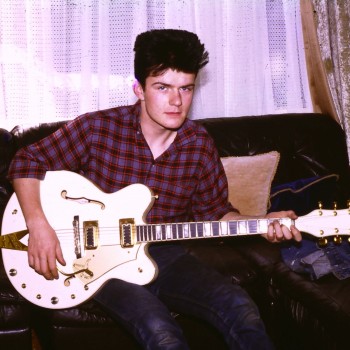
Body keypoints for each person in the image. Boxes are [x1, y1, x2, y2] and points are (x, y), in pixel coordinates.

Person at [8, 29, 301, 349]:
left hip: (164, 251)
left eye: (185, 89)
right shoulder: (98, 128)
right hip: (99, 260)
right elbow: (26, 160)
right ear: (139, 89)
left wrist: (263, 223)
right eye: (163, 88)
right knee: (161, 332)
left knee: (241, 308)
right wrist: (39, 226)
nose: (176, 101)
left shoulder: (198, 144)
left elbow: (215, 212)